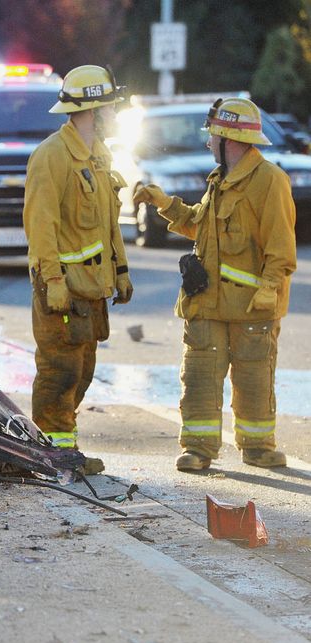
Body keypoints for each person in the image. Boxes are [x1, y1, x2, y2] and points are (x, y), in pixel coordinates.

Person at [134, 97, 297, 471]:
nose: (208, 143)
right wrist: (165, 204)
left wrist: (270, 287)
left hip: (251, 307)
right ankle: (198, 449)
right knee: (200, 376)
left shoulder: (270, 182)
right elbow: (200, 226)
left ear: (230, 140)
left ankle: (257, 447)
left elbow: (281, 248)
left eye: (213, 136)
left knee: (254, 378)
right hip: (207, 302)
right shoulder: (219, 181)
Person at [23, 65, 133, 476]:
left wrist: (120, 270)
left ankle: (59, 450)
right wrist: (52, 280)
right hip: (62, 290)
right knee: (59, 373)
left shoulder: (99, 158)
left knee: (82, 372)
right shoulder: (51, 157)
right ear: (93, 110)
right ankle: (51, 456)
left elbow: (109, 223)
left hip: (90, 290)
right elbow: (41, 226)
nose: (115, 115)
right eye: (111, 107)